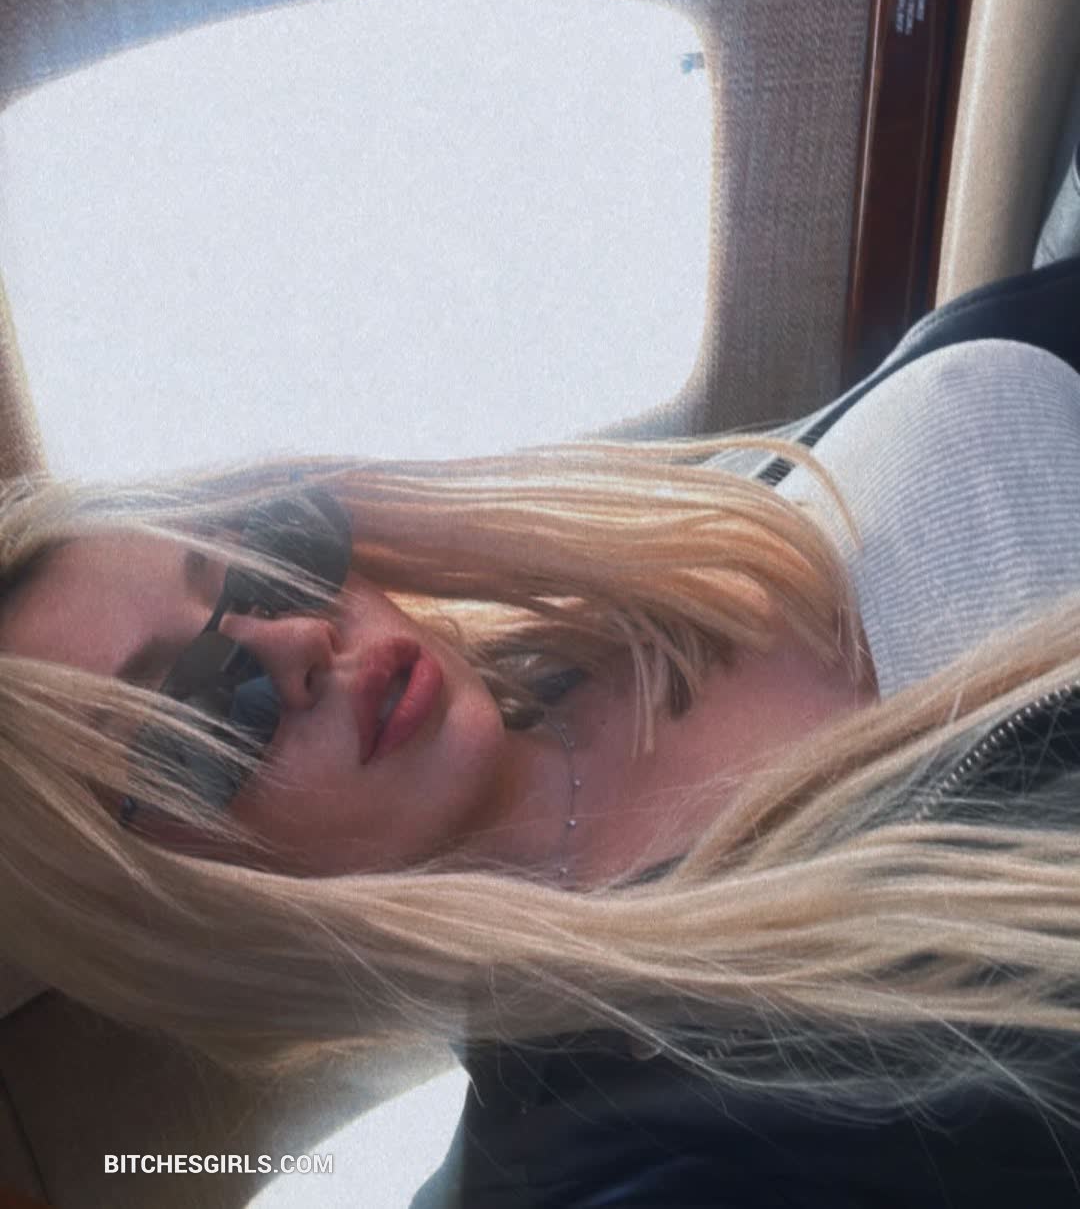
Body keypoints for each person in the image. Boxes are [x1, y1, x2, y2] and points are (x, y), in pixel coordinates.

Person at [5, 256, 1080, 1207]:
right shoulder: (629, 1159)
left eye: (262, 561)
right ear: (170, 913)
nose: (297, 639)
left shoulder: (671, 544)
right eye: (187, 712)